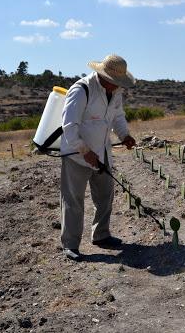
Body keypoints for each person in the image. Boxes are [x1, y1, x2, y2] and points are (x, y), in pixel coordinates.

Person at [60, 54, 136, 261]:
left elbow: (117, 117)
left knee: (105, 196)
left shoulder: (115, 91)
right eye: (114, 83)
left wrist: (125, 135)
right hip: (77, 155)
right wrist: (85, 151)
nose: (116, 87)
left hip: (102, 153)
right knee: (73, 200)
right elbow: (69, 126)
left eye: (119, 83)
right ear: (103, 76)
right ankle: (70, 244)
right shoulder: (81, 90)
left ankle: (101, 235)